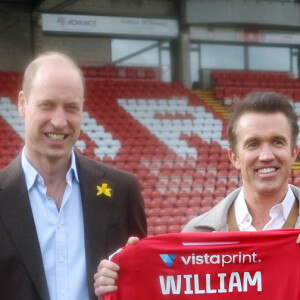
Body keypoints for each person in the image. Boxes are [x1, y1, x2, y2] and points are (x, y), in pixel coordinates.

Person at [94, 91, 300, 298]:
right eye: (253, 144)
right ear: (234, 157)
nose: (266, 156)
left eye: (277, 142)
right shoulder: (195, 235)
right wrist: (128, 270)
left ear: (293, 153)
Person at [0, 51, 147, 300]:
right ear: (22, 104)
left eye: (71, 108)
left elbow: (143, 288)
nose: (59, 121)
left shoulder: (123, 191)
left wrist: (130, 281)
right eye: (47, 105)